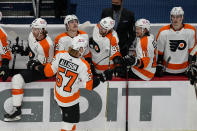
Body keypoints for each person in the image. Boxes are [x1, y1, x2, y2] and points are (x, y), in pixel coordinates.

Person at [34, 35, 112, 131]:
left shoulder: (60, 55)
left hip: (57, 95)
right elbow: (89, 86)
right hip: (70, 101)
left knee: (71, 124)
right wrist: (102, 77)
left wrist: (36, 67)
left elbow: (48, 72)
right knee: (68, 126)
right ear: (81, 49)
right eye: (84, 48)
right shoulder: (83, 65)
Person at [4, 18, 54, 122]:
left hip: (43, 71)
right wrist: (21, 50)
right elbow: (30, 51)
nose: (33, 31)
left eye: (36, 29)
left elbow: (48, 69)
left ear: (42, 30)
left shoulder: (47, 46)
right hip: (34, 65)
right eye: (33, 29)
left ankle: (17, 112)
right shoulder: (32, 35)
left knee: (17, 79)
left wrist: (34, 66)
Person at [156, 7, 197, 77]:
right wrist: (159, 65)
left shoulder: (191, 31)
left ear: (182, 17)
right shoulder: (163, 32)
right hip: (167, 70)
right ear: (170, 17)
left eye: (178, 17)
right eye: (173, 17)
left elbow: (192, 51)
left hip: (185, 70)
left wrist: (193, 65)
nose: (175, 20)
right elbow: (159, 52)